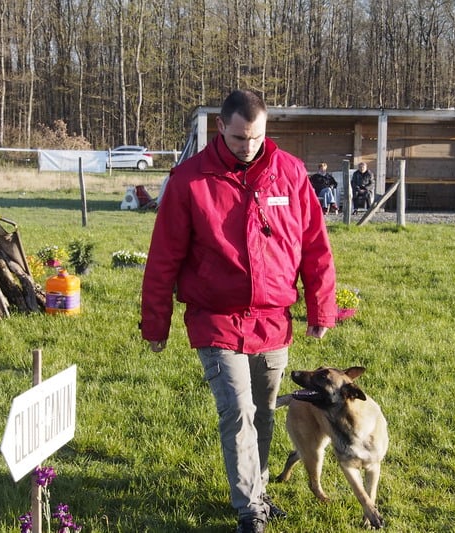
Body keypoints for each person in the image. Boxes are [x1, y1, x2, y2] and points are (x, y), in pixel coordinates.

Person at [140, 89, 337, 533]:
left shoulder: (290, 173)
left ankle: (258, 492)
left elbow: (315, 246)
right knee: (237, 410)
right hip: (215, 318)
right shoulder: (190, 180)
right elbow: (163, 258)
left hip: (273, 320)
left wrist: (321, 308)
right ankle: (249, 509)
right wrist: (156, 323)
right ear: (220, 128)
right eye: (239, 138)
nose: (248, 147)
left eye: (257, 137)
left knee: (264, 411)